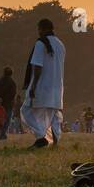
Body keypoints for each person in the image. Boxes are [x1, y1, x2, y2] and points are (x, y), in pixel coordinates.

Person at [22, 18, 66, 148]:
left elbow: (37, 66)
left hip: (42, 84)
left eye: (39, 29)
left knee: (26, 110)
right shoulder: (60, 44)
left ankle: (41, 137)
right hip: (57, 85)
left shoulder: (41, 43)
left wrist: (33, 85)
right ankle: (55, 141)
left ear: (42, 28)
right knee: (53, 114)